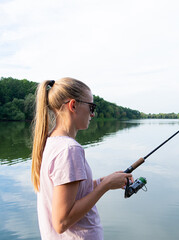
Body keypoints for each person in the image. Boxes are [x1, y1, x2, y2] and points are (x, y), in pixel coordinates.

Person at [31, 77, 133, 239]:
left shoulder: (51, 142)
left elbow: (69, 193)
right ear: (73, 105)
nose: (93, 114)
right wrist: (105, 186)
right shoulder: (70, 149)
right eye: (91, 107)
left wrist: (104, 181)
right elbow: (62, 222)